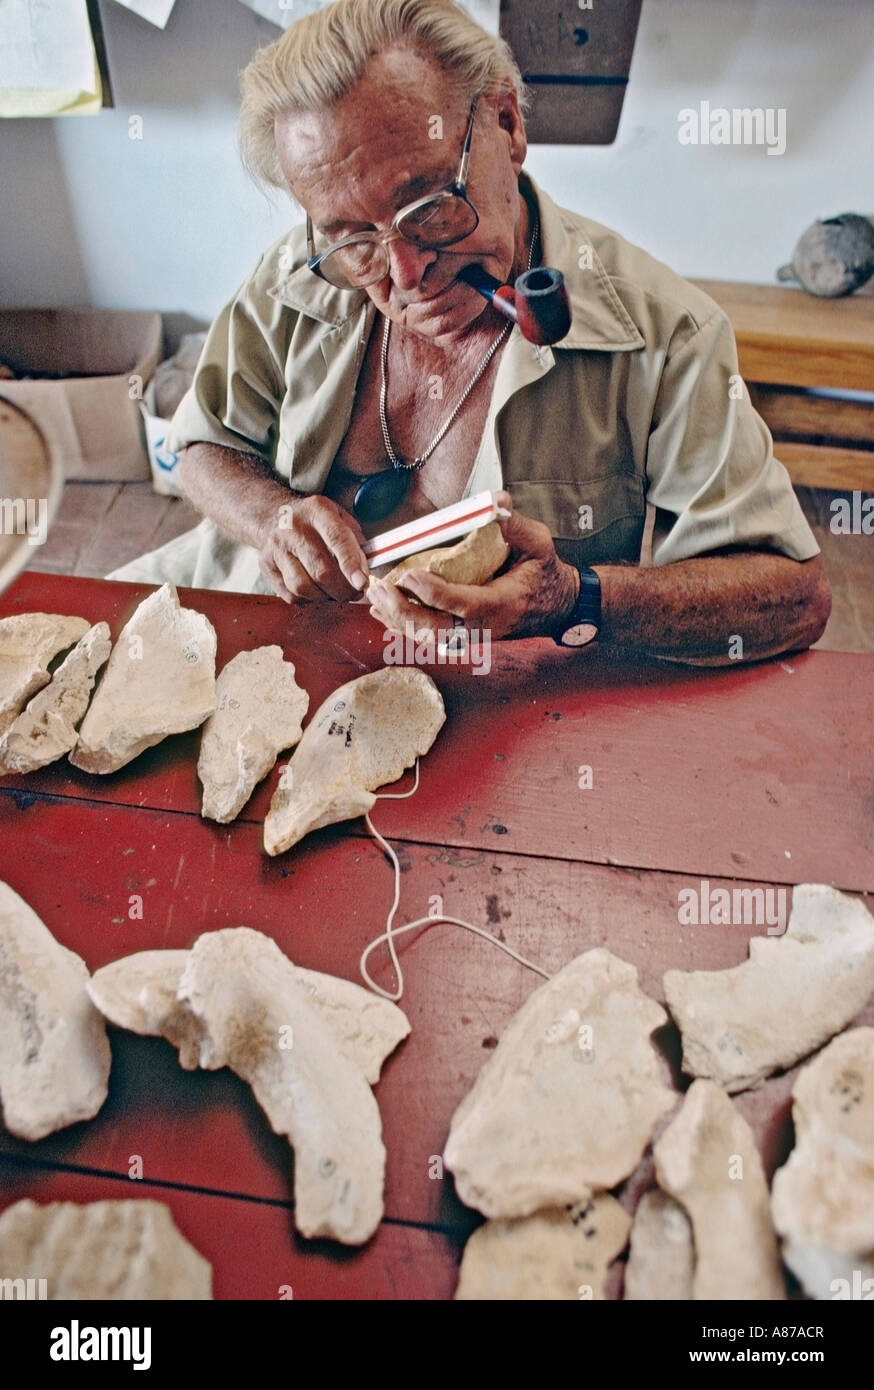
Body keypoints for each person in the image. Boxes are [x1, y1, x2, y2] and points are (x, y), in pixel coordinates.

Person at [112, 0, 830, 662]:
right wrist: (273, 518)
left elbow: (796, 599)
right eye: (353, 236)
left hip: (498, 687)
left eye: (427, 204)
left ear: (508, 124)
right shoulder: (304, 270)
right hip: (254, 619)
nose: (404, 273)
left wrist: (573, 598)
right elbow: (203, 443)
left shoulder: (667, 332)